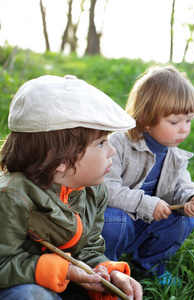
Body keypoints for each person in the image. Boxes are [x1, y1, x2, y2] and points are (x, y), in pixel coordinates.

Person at [0, 75, 143, 300]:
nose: (112, 151)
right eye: (101, 143)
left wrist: (106, 272)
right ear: (59, 161)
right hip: (20, 284)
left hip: (64, 280)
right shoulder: (12, 196)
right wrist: (60, 269)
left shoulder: (93, 190)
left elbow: (89, 247)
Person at [100, 65, 194, 286]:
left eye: (188, 120)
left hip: (146, 225)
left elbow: (183, 185)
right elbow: (106, 188)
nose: (184, 129)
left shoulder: (174, 155)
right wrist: (146, 204)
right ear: (146, 119)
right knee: (114, 220)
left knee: (185, 219)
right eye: (175, 122)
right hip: (118, 224)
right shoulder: (119, 144)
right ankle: (106, 269)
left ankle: (149, 265)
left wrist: (192, 199)